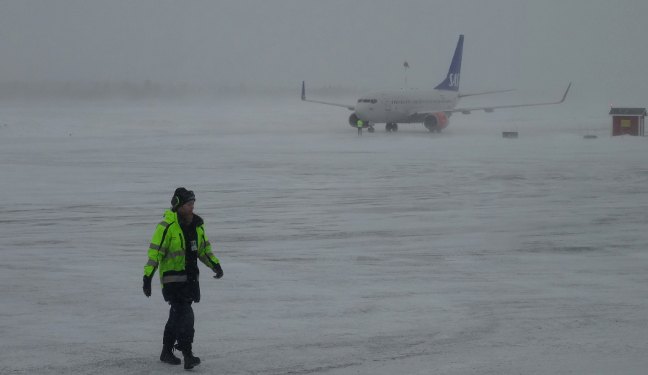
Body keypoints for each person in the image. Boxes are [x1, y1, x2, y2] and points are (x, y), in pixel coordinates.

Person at [143, 187, 224, 369]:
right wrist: (147, 277)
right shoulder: (167, 227)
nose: (192, 207)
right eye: (188, 204)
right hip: (172, 281)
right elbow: (154, 253)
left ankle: (166, 351)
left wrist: (215, 265)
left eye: (193, 203)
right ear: (178, 206)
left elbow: (203, 250)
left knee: (177, 316)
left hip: (190, 280)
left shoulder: (197, 226)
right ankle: (187, 354)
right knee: (186, 316)